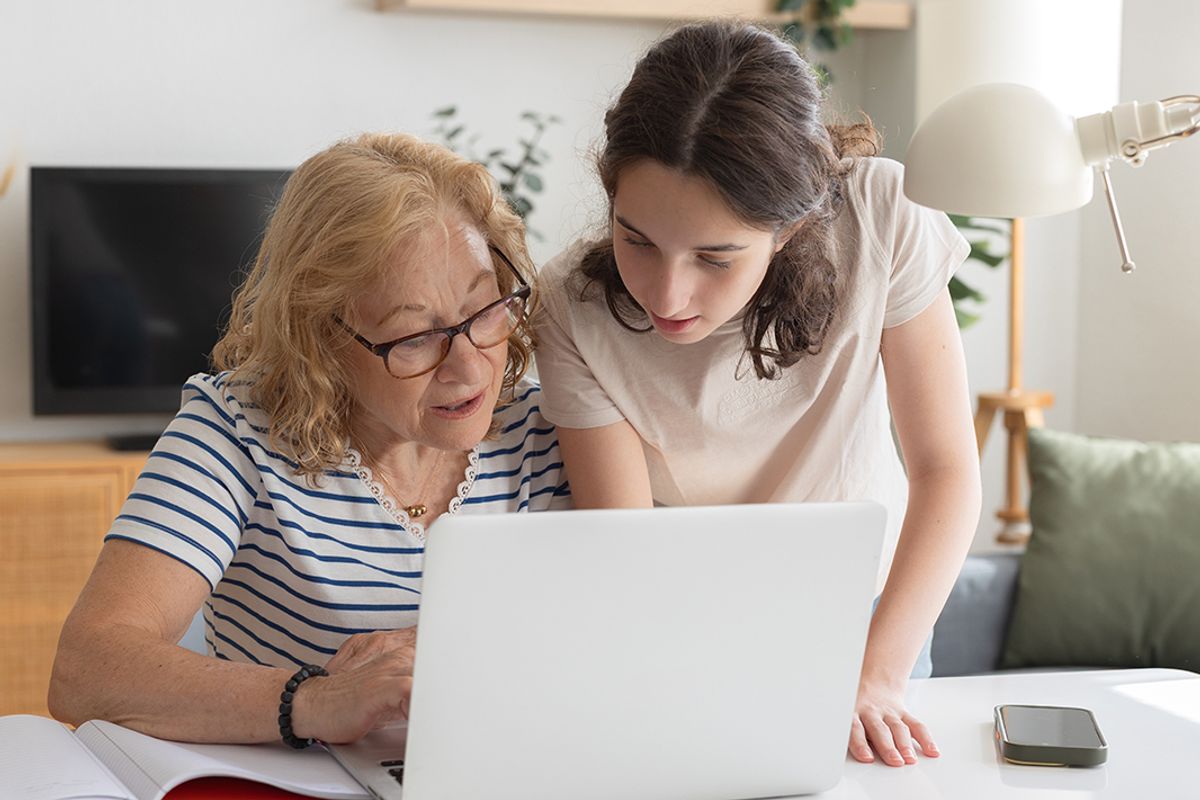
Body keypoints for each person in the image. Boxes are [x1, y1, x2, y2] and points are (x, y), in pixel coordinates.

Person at [534, 21, 981, 768]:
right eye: (636, 239)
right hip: (682, 624)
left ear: (791, 226)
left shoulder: (882, 214)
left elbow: (945, 469)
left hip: (874, 622)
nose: (666, 295)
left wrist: (877, 675)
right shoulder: (571, 304)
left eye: (715, 257)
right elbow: (623, 551)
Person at [49, 132, 570, 746]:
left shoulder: (548, 429)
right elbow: (85, 668)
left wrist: (456, 647)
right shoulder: (234, 430)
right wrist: (317, 699)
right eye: (414, 337)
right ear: (321, 338)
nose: (469, 367)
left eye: (485, 310)